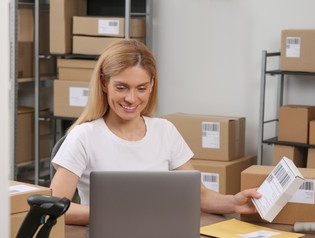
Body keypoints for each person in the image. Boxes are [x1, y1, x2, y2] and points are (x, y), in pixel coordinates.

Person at [50, 39, 261, 225]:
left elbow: (199, 196)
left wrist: (234, 202)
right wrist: (114, 214)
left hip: (160, 233)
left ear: (152, 85)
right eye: (121, 87)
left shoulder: (165, 130)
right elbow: (55, 208)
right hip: (107, 237)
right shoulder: (84, 136)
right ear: (104, 83)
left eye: (141, 88)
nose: (131, 99)